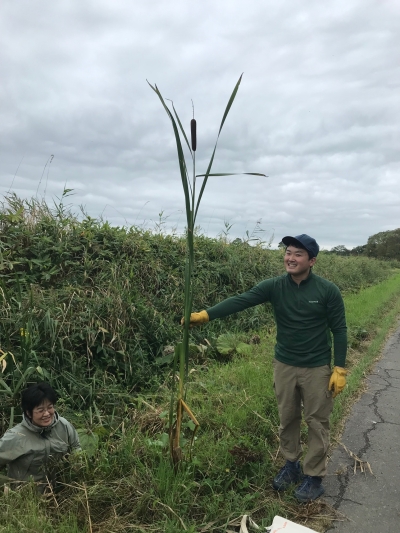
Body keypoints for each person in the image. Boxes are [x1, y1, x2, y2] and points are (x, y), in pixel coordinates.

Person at [187, 234, 347, 503]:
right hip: (284, 363)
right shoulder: (274, 286)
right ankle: (292, 465)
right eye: (288, 252)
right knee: (288, 418)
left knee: (317, 422)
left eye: (298, 254)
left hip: (316, 367)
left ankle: (314, 476)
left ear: (312, 261)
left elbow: (339, 330)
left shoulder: (327, 290)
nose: (290, 258)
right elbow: (242, 299)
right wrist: (206, 315)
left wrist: (339, 368)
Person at [0, 382, 80, 492]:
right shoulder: (15, 436)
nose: (47, 414)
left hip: (61, 497)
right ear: (28, 413)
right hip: (27, 501)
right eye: (40, 410)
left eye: (50, 407)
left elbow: (76, 449)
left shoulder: (64, 426)